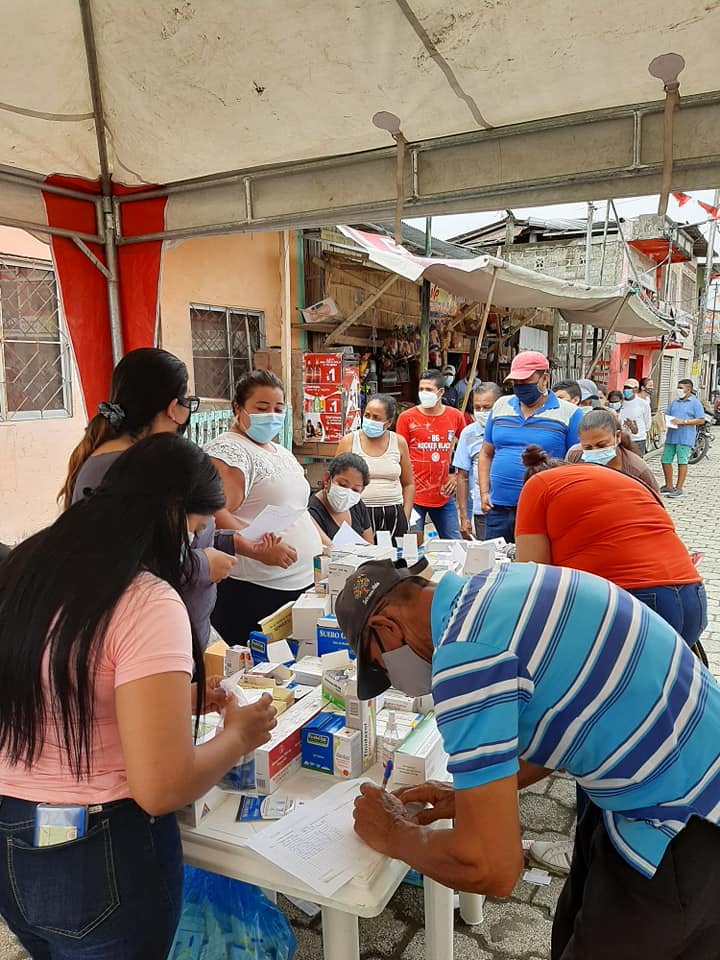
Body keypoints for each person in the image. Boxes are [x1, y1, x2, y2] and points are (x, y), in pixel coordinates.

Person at [335, 557, 720, 960]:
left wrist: (394, 834)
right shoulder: (497, 585)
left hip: (681, 823)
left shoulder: (465, 659)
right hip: (673, 767)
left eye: (380, 667)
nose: (394, 681)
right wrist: (477, 796)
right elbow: (564, 714)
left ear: (386, 627)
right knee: (572, 920)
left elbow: (493, 867)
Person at [0, 435, 277, 958]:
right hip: (99, 856)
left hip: (12, 841)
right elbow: (162, 787)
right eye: (194, 530)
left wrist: (175, 701)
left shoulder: (29, 566)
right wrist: (239, 737)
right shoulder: (145, 599)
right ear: (171, 512)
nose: (193, 546)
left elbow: (58, 685)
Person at [59, 347, 248, 649]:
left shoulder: (121, 457)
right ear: (174, 408)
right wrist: (202, 565)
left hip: (164, 632)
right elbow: (130, 564)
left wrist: (230, 543)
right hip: (150, 639)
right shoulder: (132, 470)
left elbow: (171, 538)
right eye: (187, 402)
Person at [515, 447, 706, 649]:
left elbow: (534, 572)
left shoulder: (538, 484)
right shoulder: (617, 478)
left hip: (635, 600)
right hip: (693, 596)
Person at [206, 370, 322, 645]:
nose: (271, 415)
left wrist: (328, 545)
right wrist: (257, 548)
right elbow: (215, 513)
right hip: (256, 588)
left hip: (300, 584)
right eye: (261, 408)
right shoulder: (229, 451)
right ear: (238, 408)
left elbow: (299, 509)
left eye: (278, 409)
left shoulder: (280, 452)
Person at [478, 351, 583, 543]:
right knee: (495, 559)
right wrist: (484, 492)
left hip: (542, 510)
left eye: (526, 381)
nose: (520, 386)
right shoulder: (501, 406)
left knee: (535, 559)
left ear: (545, 379)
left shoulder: (570, 413)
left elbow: (576, 464)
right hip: (498, 508)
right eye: (516, 382)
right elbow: (486, 453)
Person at [396, 369, 465, 540]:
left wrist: (456, 475)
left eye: (428, 389)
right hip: (413, 496)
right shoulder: (406, 418)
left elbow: (465, 450)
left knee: (455, 543)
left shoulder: (456, 417)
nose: (423, 393)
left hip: (443, 495)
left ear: (441, 392)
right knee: (412, 544)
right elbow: (399, 455)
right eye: (421, 389)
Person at [335, 394, 414, 539]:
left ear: (389, 422)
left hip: (393, 514)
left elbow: (408, 484)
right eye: (367, 415)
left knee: (393, 553)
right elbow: (335, 482)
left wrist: (405, 515)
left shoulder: (399, 442)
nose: (370, 420)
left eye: (376, 418)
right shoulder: (349, 441)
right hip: (357, 513)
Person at [566, 408, 661, 494]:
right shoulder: (575, 456)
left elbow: (655, 502)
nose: (595, 451)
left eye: (601, 445)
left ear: (618, 436)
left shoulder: (637, 469)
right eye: (587, 447)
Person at [453, 382, 502, 540]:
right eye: (477, 407)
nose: (481, 412)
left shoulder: (510, 431)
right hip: (483, 509)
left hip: (510, 506)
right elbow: (462, 476)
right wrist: (464, 516)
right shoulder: (468, 433)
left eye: (487, 408)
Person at [308, 453, 374, 543]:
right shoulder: (311, 512)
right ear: (327, 480)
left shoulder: (357, 506)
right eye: (343, 485)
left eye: (355, 489)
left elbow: (369, 543)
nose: (348, 493)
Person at [661, 379, 706, 498]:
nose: (679, 390)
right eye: (678, 387)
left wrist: (684, 422)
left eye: (681, 388)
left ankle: (679, 488)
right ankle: (669, 485)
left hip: (685, 437)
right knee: (665, 460)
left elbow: (701, 420)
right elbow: (667, 414)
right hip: (671, 436)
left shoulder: (695, 403)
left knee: (682, 461)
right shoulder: (674, 402)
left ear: (688, 389)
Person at [618, 377, 651, 456]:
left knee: (636, 461)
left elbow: (647, 423)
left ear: (636, 389)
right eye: (625, 388)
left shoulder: (643, 404)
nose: (626, 390)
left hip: (638, 440)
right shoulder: (619, 403)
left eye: (629, 388)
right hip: (622, 439)